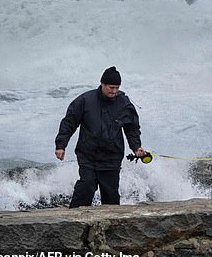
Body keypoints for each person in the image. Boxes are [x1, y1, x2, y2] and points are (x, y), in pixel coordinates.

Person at [54, 66, 148, 208]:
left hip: (112, 156)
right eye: (111, 87)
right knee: (86, 186)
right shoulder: (85, 100)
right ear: (102, 84)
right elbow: (69, 122)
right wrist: (61, 145)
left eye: (117, 88)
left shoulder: (124, 103)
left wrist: (136, 147)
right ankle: (74, 221)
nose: (114, 91)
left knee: (111, 195)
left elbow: (132, 128)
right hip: (88, 155)